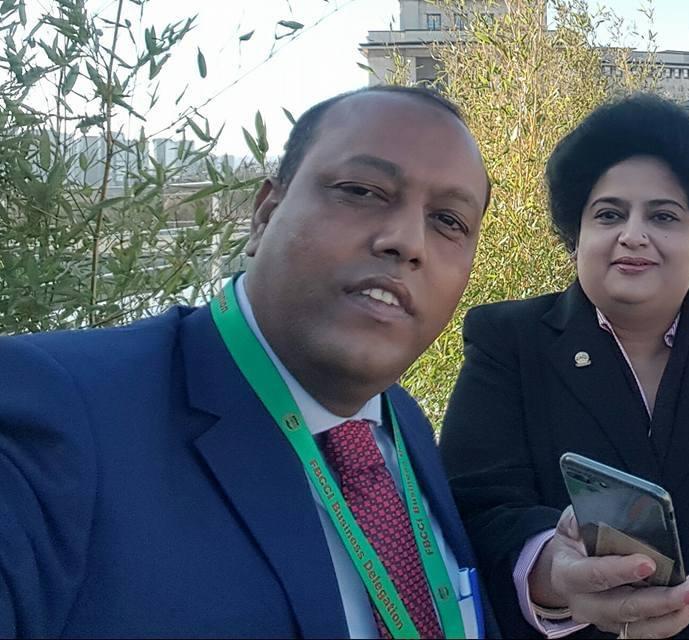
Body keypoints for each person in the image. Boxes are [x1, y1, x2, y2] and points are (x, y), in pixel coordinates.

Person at [0, 86, 500, 638]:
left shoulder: (403, 423)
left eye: (448, 221)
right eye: (361, 191)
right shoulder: (56, 413)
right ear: (265, 213)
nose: (407, 241)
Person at [440, 94, 689, 638]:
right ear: (576, 235)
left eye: (663, 216)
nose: (633, 235)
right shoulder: (508, 344)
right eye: (609, 214)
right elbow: (474, 511)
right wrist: (551, 571)